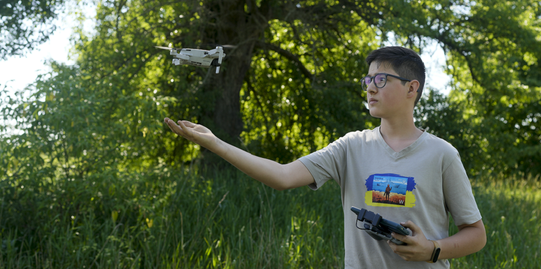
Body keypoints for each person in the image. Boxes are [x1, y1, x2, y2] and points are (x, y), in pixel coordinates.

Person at [164, 46, 486, 268]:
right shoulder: (350, 147)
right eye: (368, 80)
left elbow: (475, 233)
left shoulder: (441, 154)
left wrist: (432, 250)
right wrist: (217, 144)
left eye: (381, 79)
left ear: (411, 88)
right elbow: (282, 176)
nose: (370, 88)